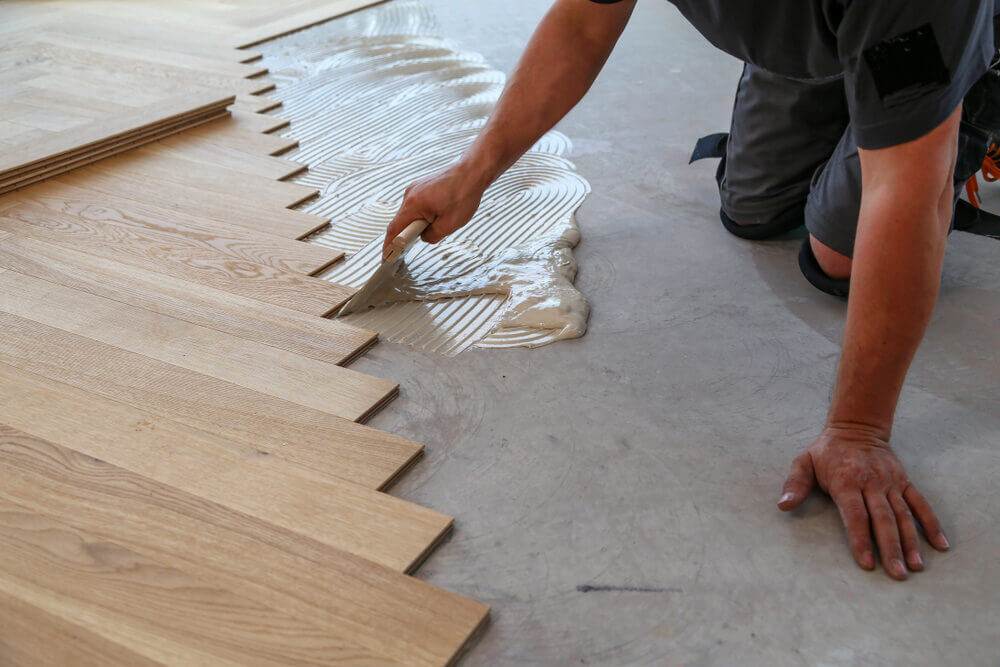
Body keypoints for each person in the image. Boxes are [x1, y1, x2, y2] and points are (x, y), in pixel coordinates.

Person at [382, 0, 1000, 579]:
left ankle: (963, 89)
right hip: (823, 28)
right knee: (752, 211)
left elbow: (908, 192)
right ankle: (858, 80)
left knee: (838, 255)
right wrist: (473, 172)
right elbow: (584, 23)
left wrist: (859, 429)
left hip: (914, 37)